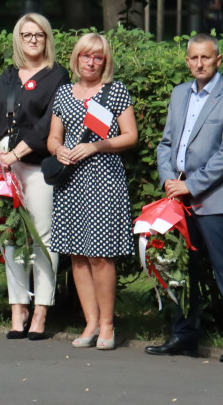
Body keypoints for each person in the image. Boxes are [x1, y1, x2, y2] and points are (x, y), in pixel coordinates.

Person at [146, 34, 223, 364]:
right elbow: (166, 144)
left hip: (214, 199)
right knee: (178, 267)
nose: (199, 63)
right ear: (187, 60)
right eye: (193, 58)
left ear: (218, 60)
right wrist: (167, 179)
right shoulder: (179, 95)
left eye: (206, 58)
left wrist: (191, 184)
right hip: (177, 197)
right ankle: (184, 335)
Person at [0, 13, 69, 340]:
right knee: (10, 238)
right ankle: (18, 308)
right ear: (18, 38)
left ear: (47, 39)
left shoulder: (57, 76)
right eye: (26, 34)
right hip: (4, 170)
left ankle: (41, 310)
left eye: (39, 35)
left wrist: (16, 153)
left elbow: (48, 125)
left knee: (43, 239)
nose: (32, 40)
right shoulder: (6, 77)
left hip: (37, 168)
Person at [46, 33, 137, 350]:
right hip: (70, 182)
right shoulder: (63, 93)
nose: (91, 61)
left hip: (103, 180)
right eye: (86, 55)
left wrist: (96, 146)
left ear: (105, 61)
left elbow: (130, 136)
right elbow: (53, 137)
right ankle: (91, 323)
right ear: (76, 58)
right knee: (77, 256)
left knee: (100, 255)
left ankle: (108, 325)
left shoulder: (115, 92)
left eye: (98, 57)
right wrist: (59, 150)